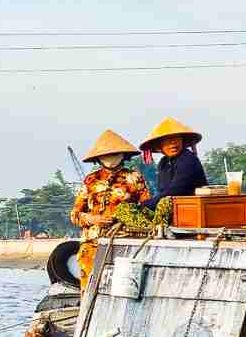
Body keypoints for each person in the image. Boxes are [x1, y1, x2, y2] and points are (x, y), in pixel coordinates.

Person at [69, 130, 150, 289]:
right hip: (93, 243)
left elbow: (146, 209)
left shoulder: (134, 178)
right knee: (89, 288)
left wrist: (124, 218)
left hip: (126, 241)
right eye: (106, 155)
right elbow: (75, 215)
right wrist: (92, 219)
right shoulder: (91, 180)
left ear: (122, 155)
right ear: (98, 158)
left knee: (122, 288)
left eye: (114, 154)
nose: (111, 158)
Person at [139, 118, 208, 209]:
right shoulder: (163, 163)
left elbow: (175, 191)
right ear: (160, 146)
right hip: (172, 206)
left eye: (176, 138)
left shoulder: (188, 159)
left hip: (192, 207)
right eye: (167, 140)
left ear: (182, 141)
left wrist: (145, 205)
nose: (173, 143)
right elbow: (162, 191)